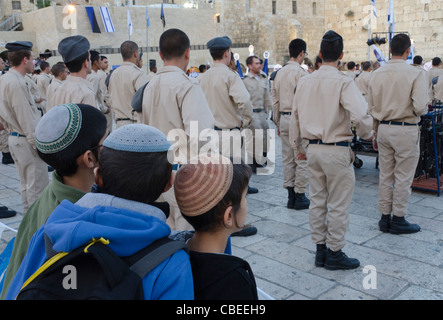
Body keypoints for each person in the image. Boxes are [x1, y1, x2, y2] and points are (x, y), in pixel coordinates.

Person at [4, 124, 194, 300]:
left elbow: (17, 291)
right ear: (170, 182)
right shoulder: (171, 262)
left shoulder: (49, 234)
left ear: (97, 177)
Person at [0, 103, 108, 299]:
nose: (111, 147)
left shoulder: (59, 192)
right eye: (105, 143)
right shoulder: (69, 223)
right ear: (90, 159)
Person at [289, 30, 373, 270]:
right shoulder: (344, 81)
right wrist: (367, 133)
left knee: (317, 202)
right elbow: (360, 114)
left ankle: (320, 250)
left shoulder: (304, 81)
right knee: (337, 204)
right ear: (341, 55)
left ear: (320, 54)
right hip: (336, 149)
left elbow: (295, 117)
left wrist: (298, 147)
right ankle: (334, 252)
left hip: (312, 149)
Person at [140, 28, 215, 231]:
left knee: (163, 235)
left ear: (160, 55)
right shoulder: (187, 86)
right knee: (186, 234)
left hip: (155, 174)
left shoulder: (149, 87)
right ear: (188, 53)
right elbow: (201, 136)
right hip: (181, 175)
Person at [368, 33, 429, 235]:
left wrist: (376, 132)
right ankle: (399, 218)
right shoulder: (416, 73)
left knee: (385, 175)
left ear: (390, 50)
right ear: (408, 51)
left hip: (384, 128)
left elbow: (372, 106)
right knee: (403, 177)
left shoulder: (377, 74)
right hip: (405, 129)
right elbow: (420, 107)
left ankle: (384, 217)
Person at [174, 154, 258, 300]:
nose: (245, 203)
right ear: (229, 216)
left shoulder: (172, 252)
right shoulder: (235, 283)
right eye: (245, 197)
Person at [199, 36, 257, 198]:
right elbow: (245, 102)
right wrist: (245, 122)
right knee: (234, 184)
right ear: (227, 52)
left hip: (209, 136)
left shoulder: (201, 77)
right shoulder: (230, 76)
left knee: (215, 182)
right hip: (229, 135)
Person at [0, 41, 49, 213]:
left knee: (26, 186)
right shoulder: (16, 83)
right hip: (26, 140)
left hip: (16, 138)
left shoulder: (6, 78)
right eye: (32, 58)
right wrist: (40, 147)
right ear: (24, 60)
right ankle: (35, 230)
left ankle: (29, 227)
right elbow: (26, 119)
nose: (34, 62)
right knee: (37, 188)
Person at [271, 38, 310, 210]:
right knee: (301, 157)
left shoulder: (279, 73)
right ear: (301, 53)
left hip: (284, 119)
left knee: (287, 159)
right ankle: (300, 195)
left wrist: (278, 123)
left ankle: (290, 196)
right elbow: (306, 102)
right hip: (298, 119)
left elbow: (275, 101)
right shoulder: (301, 74)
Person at [108, 41, 148, 128]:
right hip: (135, 124)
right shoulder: (138, 74)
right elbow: (145, 101)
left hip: (119, 124)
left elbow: (110, 98)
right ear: (135, 53)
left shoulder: (114, 74)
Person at [242, 55, 272, 172]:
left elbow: (267, 96)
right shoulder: (245, 81)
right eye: (256, 63)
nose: (259, 65)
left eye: (259, 63)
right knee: (254, 138)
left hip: (262, 113)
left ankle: (261, 159)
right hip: (252, 113)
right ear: (249, 66)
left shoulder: (264, 78)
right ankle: (253, 162)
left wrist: (269, 110)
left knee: (265, 136)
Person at [52, 36, 96, 109]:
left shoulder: (59, 89)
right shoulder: (86, 93)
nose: (91, 61)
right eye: (90, 59)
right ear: (86, 62)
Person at [87, 50, 111, 116]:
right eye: (100, 60)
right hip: (97, 110)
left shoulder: (88, 75)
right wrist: (104, 109)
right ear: (95, 62)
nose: (101, 62)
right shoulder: (94, 77)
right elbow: (92, 97)